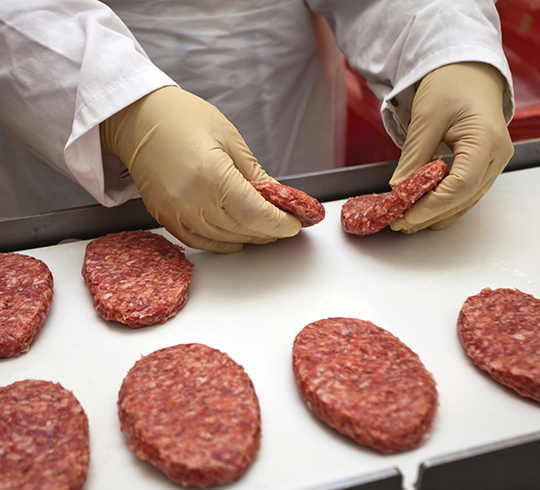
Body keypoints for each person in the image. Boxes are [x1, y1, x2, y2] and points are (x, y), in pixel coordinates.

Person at [0, 0, 514, 252]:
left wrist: (449, 45)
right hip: (57, 102)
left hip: (274, 76)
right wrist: (119, 109)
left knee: (286, 249)